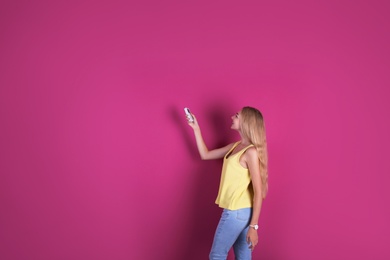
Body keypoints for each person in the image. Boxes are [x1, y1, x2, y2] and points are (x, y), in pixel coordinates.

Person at [186, 106, 268, 260]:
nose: (232, 117)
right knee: (243, 257)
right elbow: (205, 154)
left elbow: (258, 191)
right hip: (241, 212)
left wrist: (254, 227)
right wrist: (196, 129)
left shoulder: (250, 152)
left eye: (236, 116)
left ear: (246, 122)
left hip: (236, 212)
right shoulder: (236, 146)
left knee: (217, 255)